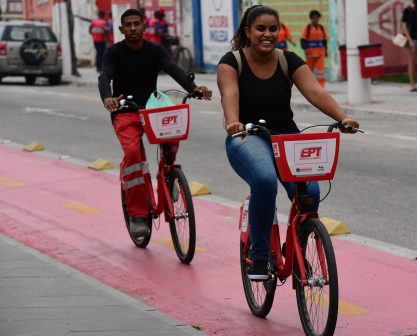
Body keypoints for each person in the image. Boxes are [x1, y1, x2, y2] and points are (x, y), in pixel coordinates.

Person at [217, 5, 359, 280]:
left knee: (311, 194)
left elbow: (315, 91)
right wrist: (232, 121)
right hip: (246, 136)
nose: (268, 34)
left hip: (286, 136)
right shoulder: (231, 62)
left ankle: (296, 247)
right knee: (265, 180)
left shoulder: (288, 60)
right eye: (261, 29)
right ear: (248, 31)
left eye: (273, 29)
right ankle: (259, 256)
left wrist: (343, 118)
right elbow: (229, 94)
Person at [98, 9, 212, 237]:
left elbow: (173, 69)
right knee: (133, 156)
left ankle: (169, 178)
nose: (132, 29)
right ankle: (138, 214)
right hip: (125, 111)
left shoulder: (155, 50)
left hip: (151, 109)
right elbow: (104, 76)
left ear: (144, 26)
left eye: (136, 24)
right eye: (127, 25)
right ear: (121, 30)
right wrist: (107, 97)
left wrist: (194, 89)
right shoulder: (113, 52)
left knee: (173, 133)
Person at [301, 10, 327, 87]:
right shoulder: (307, 28)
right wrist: (305, 49)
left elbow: (324, 40)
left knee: (321, 71)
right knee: (309, 71)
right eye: (314, 18)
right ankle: (308, 86)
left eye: (317, 18)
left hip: (320, 53)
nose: (316, 20)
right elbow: (303, 40)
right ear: (311, 19)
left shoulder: (321, 28)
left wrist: (326, 50)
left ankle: (321, 86)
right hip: (310, 54)